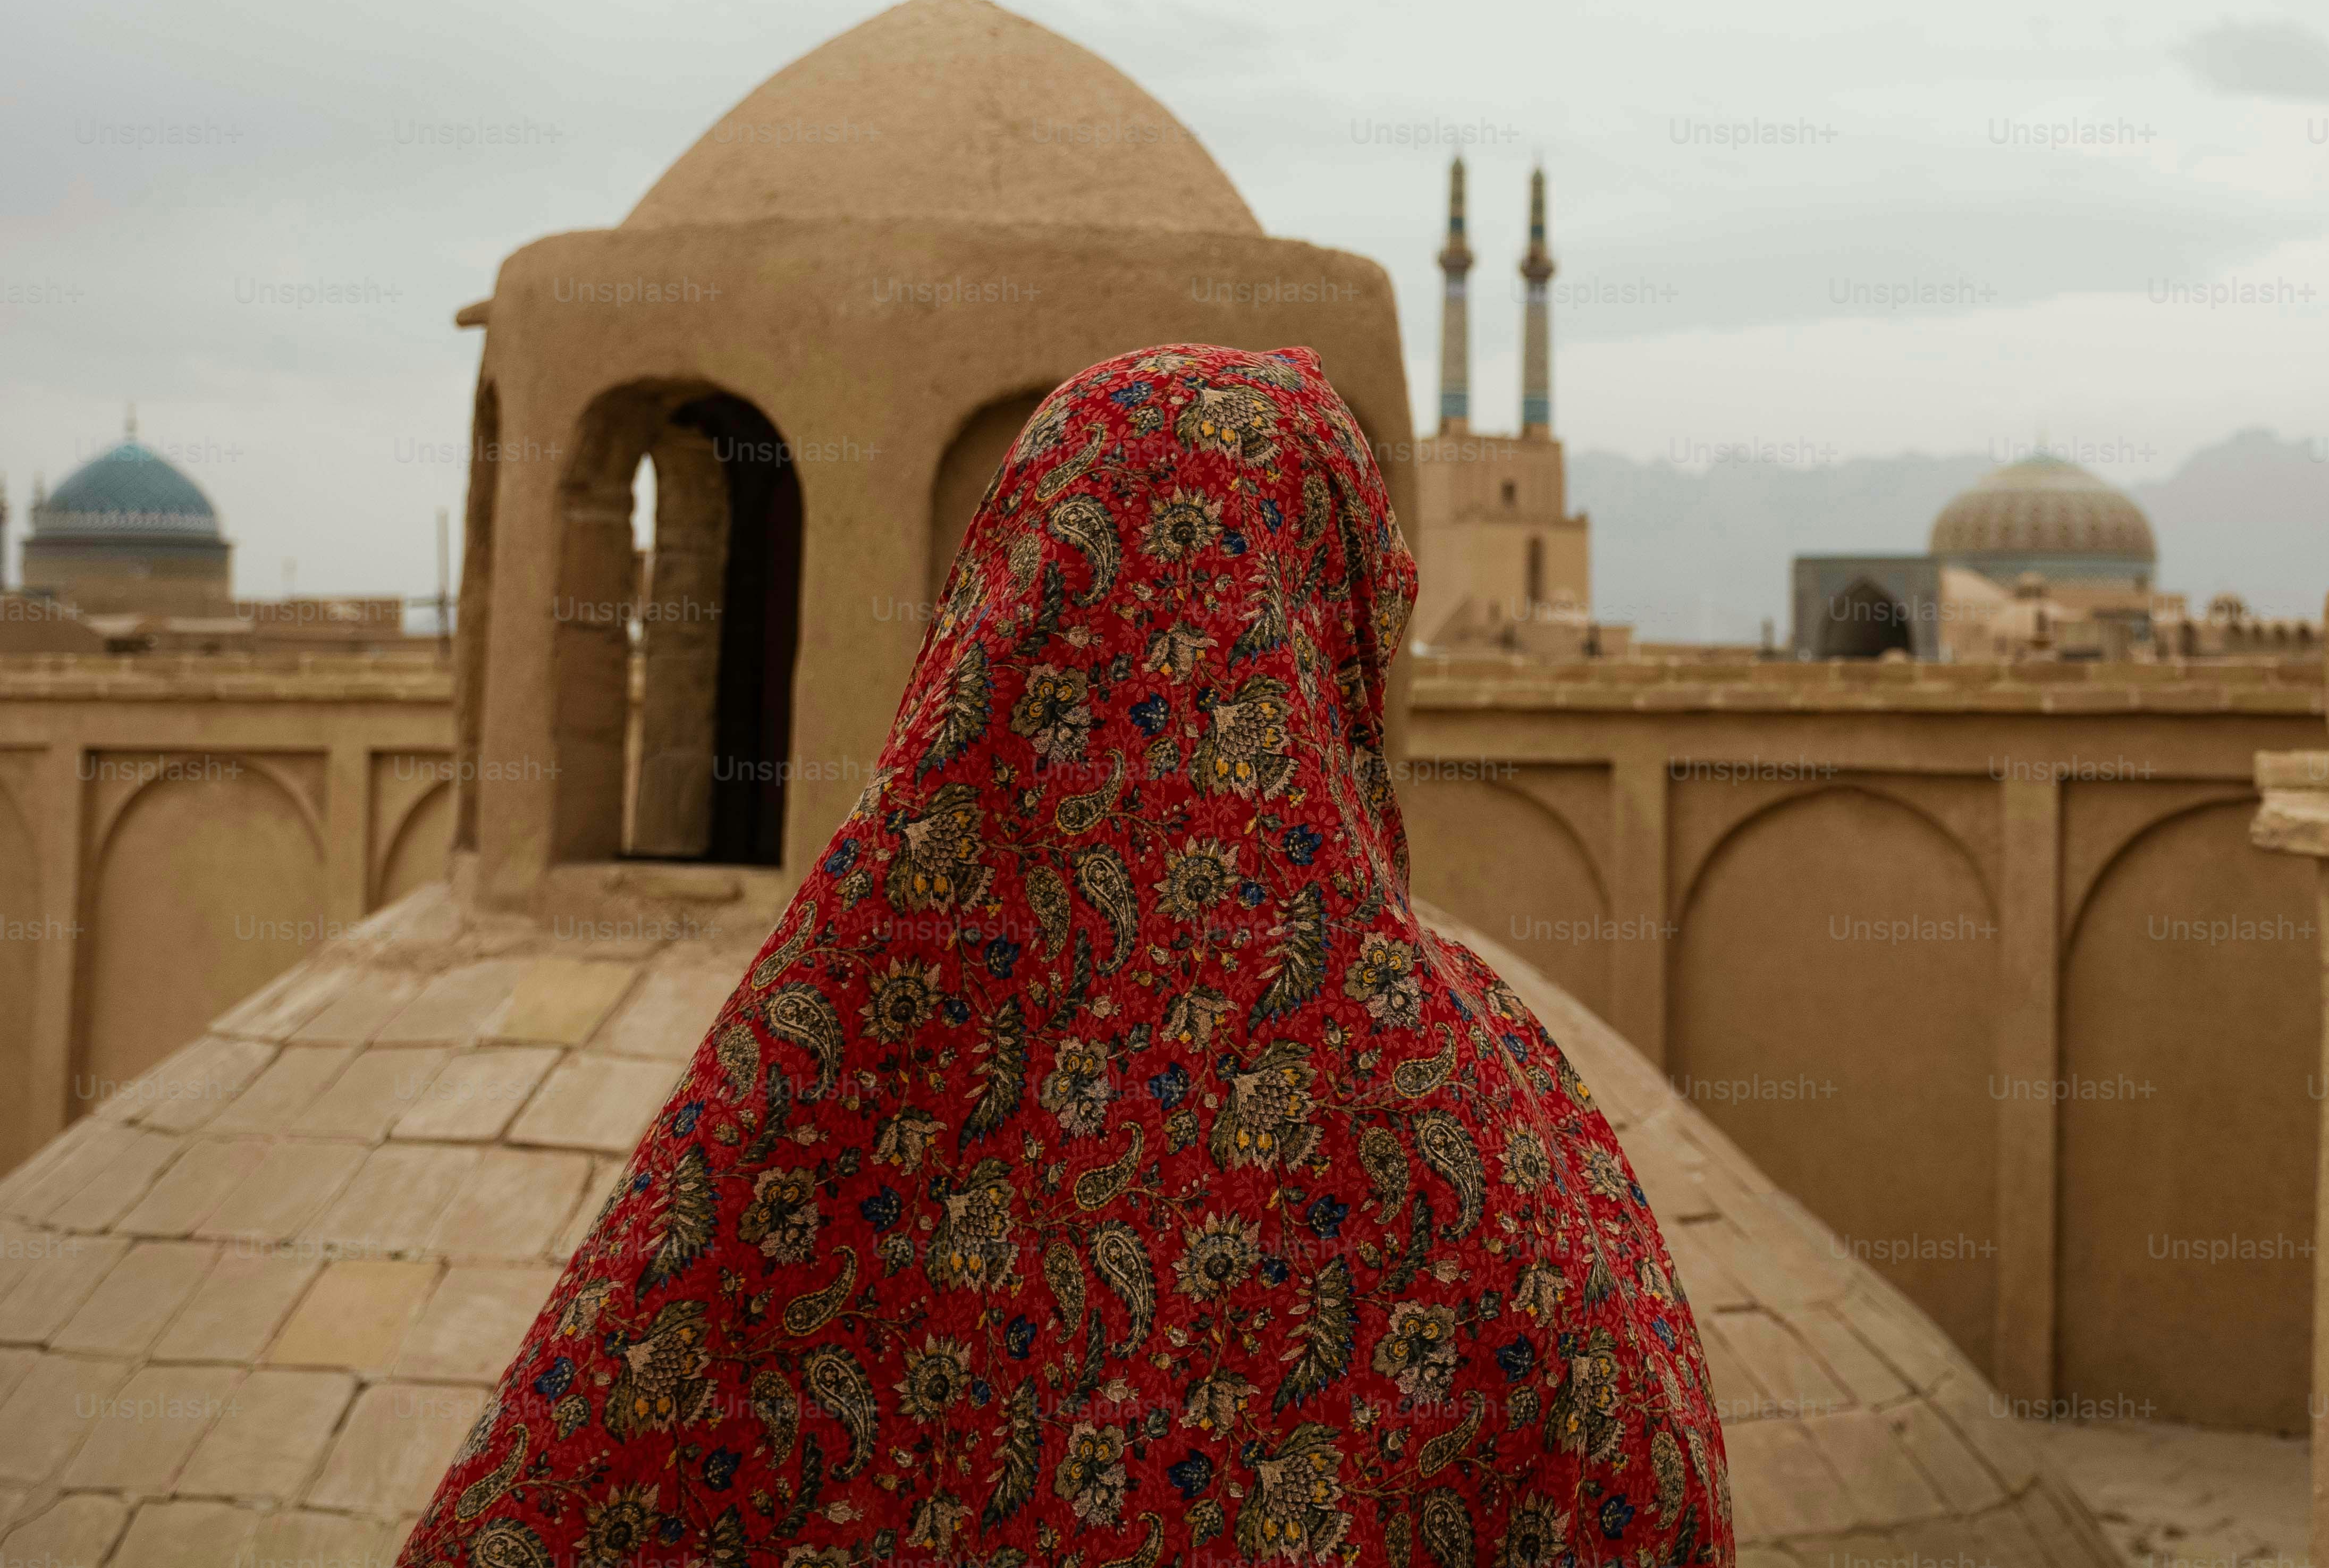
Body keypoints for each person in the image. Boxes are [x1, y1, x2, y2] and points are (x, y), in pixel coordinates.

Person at [398, 344, 1731, 1567]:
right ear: (1330, 612)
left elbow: (564, 1482)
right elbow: (1636, 1479)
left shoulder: (822, 1058)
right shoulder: (1464, 1100)